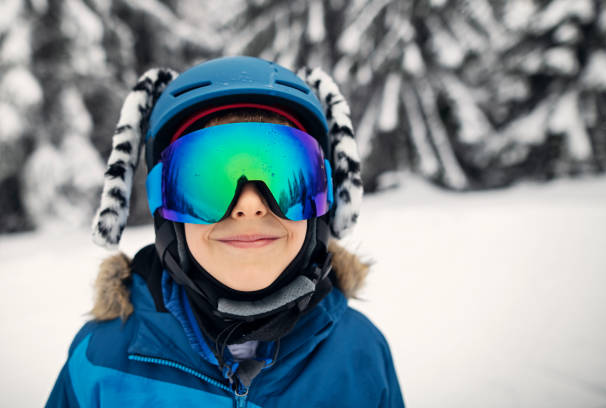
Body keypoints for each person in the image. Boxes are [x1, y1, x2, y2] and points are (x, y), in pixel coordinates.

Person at [46, 56, 404, 407]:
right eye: (208, 181)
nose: (249, 205)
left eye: (283, 178)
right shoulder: (99, 364)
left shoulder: (361, 355)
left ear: (324, 198)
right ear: (164, 209)